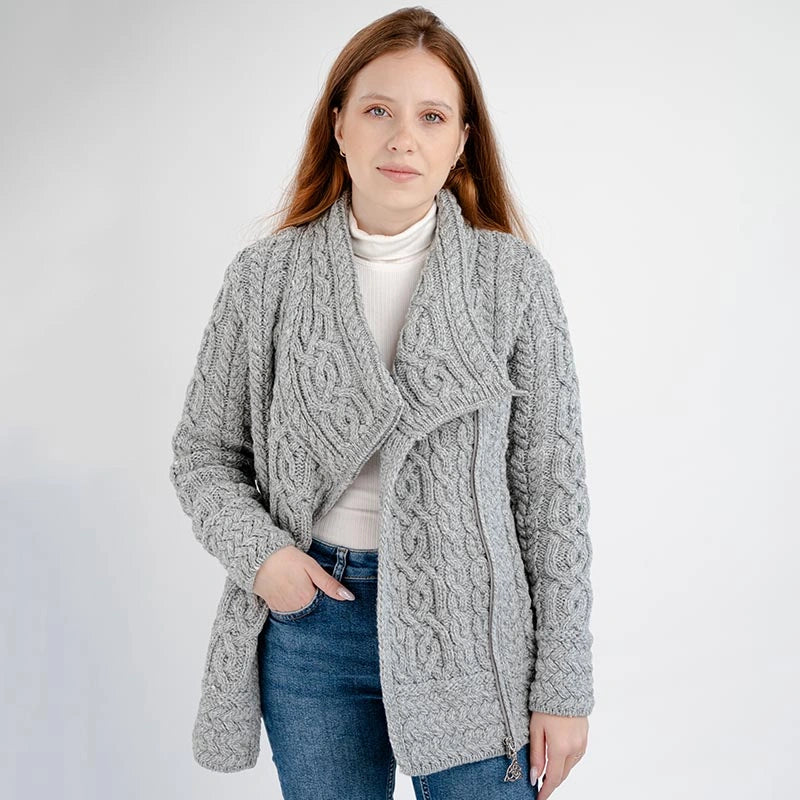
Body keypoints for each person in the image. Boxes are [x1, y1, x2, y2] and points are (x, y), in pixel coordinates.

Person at [168, 7, 594, 800]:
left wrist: (564, 686)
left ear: (462, 141)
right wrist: (266, 560)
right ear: (337, 124)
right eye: (377, 111)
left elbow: (552, 497)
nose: (403, 139)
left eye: (432, 117)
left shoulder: (513, 281)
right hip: (312, 631)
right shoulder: (265, 279)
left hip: (474, 637)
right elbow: (204, 456)